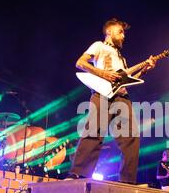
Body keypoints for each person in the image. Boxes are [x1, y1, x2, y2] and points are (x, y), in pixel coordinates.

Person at [66, 18, 155, 183]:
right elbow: (80, 63)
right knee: (94, 131)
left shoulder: (122, 59)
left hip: (122, 97)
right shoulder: (99, 46)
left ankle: (128, 181)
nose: (123, 36)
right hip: (102, 94)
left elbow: (127, 80)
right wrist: (104, 73)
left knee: (131, 138)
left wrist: (143, 71)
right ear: (109, 32)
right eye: (120, 32)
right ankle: (79, 174)